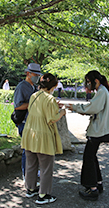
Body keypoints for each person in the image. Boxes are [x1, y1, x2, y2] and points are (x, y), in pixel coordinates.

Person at [66, 70, 109, 201]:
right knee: (91, 156)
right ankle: (98, 184)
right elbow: (93, 108)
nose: (87, 84)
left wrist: (74, 107)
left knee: (88, 158)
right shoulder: (102, 91)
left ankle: (92, 189)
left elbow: (91, 108)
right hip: (101, 130)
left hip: (98, 131)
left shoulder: (102, 92)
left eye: (88, 81)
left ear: (96, 81)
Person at [21, 73, 66, 205]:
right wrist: (62, 111)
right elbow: (52, 118)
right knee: (46, 167)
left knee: (31, 164)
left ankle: (30, 189)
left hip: (30, 134)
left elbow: (39, 111)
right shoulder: (50, 99)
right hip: (43, 136)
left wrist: (54, 108)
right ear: (53, 86)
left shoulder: (34, 96)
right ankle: (43, 195)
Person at [13, 63, 42, 180]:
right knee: (27, 150)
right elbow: (17, 106)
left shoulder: (35, 87)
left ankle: (33, 172)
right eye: (35, 74)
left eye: (38, 75)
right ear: (28, 74)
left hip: (33, 123)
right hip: (24, 123)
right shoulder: (21, 87)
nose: (37, 77)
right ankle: (26, 174)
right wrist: (32, 104)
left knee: (34, 149)